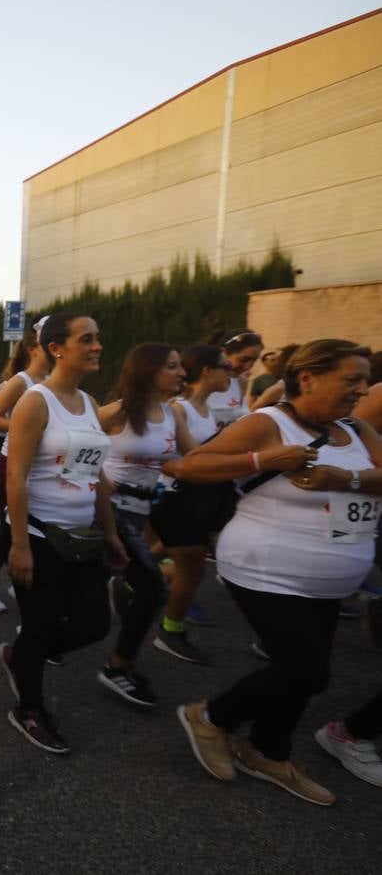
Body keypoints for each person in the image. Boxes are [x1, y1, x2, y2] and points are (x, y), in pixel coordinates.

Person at [173, 339, 378, 806]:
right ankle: (211, 717)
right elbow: (192, 466)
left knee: (303, 670)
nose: (363, 389)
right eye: (352, 379)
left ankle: (268, 750)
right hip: (266, 568)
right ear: (308, 378)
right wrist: (264, 460)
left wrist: (347, 479)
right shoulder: (268, 423)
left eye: (364, 379)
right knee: (307, 672)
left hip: (331, 579)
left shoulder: (357, 429)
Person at [0, 313, 127, 753]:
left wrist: (110, 532)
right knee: (40, 624)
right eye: (86, 339)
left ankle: (22, 656)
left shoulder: (89, 404)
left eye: (98, 339)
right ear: (56, 348)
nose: (97, 347)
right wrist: (19, 544)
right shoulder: (36, 402)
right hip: (40, 535)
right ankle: (29, 708)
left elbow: (98, 476)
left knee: (94, 624)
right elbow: (15, 476)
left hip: (82, 535)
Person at [94, 343, 190, 707]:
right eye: (172, 366)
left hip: (142, 510)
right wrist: (98, 475)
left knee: (87, 581)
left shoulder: (171, 414)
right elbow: (71, 441)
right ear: (149, 371)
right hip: (110, 510)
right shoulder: (119, 411)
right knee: (154, 589)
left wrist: (252, 458)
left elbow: (195, 456)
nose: (181, 373)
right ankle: (119, 666)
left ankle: (47, 634)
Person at [146, 344, 232, 663]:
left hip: (196, 495)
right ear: (207, 370)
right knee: (193, 566)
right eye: (227, 366)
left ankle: (130, 583)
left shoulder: (208, 411)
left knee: (172, 554)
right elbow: (164, 457)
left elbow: (199, 455)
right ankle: (171, 630)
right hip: (170, 495)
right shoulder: (178, 408)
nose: (232, 373)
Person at [0, 323, 52, 612]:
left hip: (44, 469)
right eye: (52, 344)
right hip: (12, 464)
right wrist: (29, 427)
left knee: (39, 530)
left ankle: (21, 582)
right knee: (12, 531)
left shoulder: (59, 383)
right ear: (35, 349)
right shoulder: (21, 382)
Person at [206, 329, 264, 430]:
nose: (248, 367)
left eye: (254, 361)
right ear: (223, 353)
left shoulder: (241, 382)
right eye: (243, 360)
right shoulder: (198, 383)